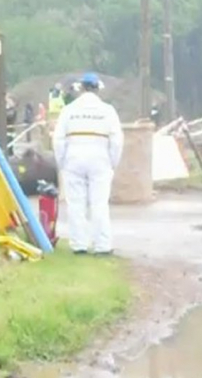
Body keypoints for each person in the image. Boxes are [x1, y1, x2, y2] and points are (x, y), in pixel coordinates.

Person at [53, 72, 124, 255]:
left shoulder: (69, 110)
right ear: (98, 89)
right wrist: (112, 162)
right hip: (100, 157)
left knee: (76, 203)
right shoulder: (107, 110)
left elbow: (58, 139)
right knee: (99, 203)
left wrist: (62, 162)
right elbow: (116, 140)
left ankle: (79, 245)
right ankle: (102, 245)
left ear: (81, 88)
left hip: (73, 157)